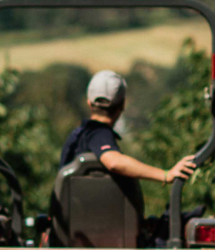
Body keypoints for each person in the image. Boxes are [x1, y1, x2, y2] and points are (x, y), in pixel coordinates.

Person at [60, 69, 196, 187]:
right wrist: (166, 174)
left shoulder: (77, 136)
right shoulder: (99, 134)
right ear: (122, 105)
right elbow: (113, 162)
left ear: (89, 103)